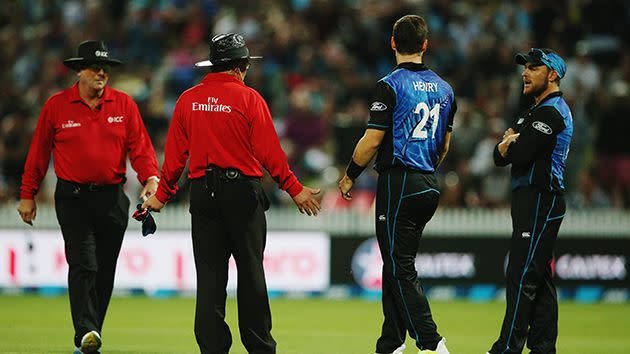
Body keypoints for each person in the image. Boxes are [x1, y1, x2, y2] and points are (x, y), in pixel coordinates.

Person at [142, 33, 321, 354]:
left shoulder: (187, 100)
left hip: (203, 193)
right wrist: (294, 189)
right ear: (240, 67)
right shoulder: (250, 99)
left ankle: (213, 349)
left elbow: (174, 159)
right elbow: (270, 153)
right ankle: (260, 348)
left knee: (210, 278)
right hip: (243, 194)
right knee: (251, 274)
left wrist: (161, 197)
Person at [17, 40, 159, 353]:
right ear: (79, 70)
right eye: (95, 67)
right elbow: (38, 154)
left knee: (104, 271)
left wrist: (150, 177)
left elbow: (141, 148)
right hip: (73, 198)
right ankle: (86, 331)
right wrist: (28, 194)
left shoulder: (124, 105)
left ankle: (89, 336)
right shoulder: (56, 106)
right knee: (84, 264)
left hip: (112, 197)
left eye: (106, 68)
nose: (102, 73)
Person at [338, 15, 453, 354]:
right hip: (429, 182)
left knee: (400, 267)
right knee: (396, 261)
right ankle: (390, 343)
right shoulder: (446, 89)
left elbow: (372, 140)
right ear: (425, 45)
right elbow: (444, 146)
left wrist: (350, 174)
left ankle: (432, 343)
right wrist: (425, 172)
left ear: (392, 42)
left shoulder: (390, 84)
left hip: (399, 181)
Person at [487, 48, 573, 354]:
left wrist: (511, 143)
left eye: (533, 68)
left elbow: (518, 154)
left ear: (552, 75)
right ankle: (543, 347)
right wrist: (508, 145)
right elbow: (499, 157)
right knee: (538, 276)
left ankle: (507, 348)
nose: (525, 73)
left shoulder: (552, 112)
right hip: (530, 198)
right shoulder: (532, 112)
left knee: (521, 273)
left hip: (542, 198)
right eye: (525, 67)